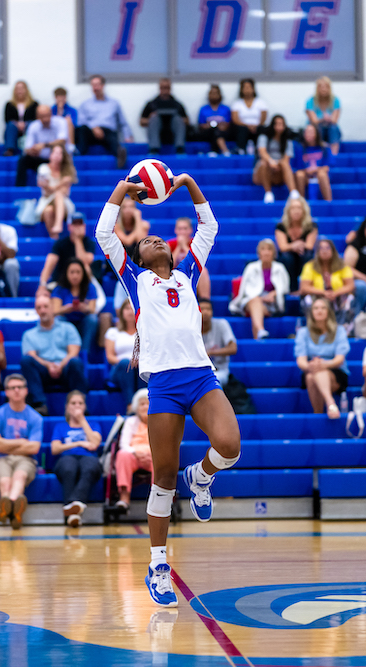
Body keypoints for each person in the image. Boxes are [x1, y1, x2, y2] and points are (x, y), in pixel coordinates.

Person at [96, 174, 241, 607]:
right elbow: (104, 232)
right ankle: (158, 565)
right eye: (148, 239)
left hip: (199, 375)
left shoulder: (189, 273)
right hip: (162, 383)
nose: (156, 239)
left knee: (230, 446)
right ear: (138, 255)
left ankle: (202, 476)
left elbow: (209, 227)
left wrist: (188, 183)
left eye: (161, 238)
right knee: (161, 480)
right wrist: (124, 188)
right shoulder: (134, 279)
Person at [0, 374, 43, 529]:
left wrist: (3, 443)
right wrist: (20, 442)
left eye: (20, 387)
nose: (17, 391)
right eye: (13, 388)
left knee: (20, 476)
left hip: (26, 459)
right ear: (6, 392)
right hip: (0, 458)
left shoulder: (35, 417)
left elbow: (34, 448)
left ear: (26, 391)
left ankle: (7, 507)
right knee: (5, 480)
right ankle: (15, 510)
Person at [20, 295, 88, 414]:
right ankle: (40, 404)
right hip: (43, 372)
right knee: (26, 361)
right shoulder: (29, 335)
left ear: (52, 307)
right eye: (39, 308)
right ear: (36, 311)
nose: (43, 310)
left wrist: (60, 365)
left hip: (65, 368)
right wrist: (49, 365)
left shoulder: (68, 328)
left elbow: (73, 352)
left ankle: (79, 404)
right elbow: (32, 356)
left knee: (75, 362)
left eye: (45, 306)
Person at [51, 391, 103, 527]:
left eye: (80, 403)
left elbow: (95, 443)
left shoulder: (93, 424)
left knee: (90, 467)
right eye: (73, 403)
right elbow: (55, 448)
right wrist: (79, 443)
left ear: (85, 407)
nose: (77, 406)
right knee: (69, 468)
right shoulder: (60, 426)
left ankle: (72, 509)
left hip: (88, 457)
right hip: (67, 457)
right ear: (67, 407)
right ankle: (75, 510)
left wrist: (82, 420)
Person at [295, 297, 350, 419]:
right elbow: (301, 361)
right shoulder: (303, 332)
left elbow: (339, 359)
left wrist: (323, 364)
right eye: (316, 308)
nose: (319, 311)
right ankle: (329, 405)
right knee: (310, 376)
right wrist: (312, 365)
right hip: (312, 369)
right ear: (311, 312)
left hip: (336, 371)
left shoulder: (339, 330)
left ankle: (321, 411)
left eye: (323, 308)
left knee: (315, 374)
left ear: (328, 312)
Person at [229, 238, 290, 340]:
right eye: (263, 249)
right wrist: (261, 298)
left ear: (274, 253)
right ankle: (261, 329)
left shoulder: (280, 268)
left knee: (257, 309)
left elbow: (286, 288)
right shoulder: (251, 267)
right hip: (250, 300)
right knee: (255, 302)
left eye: (269, 249)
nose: (266, 252)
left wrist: (274, 293)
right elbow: (246, 289)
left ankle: (258, 337)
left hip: (271, 303)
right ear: (259, 252)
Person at [77, 74, 132, 168]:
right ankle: (80, 159)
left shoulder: (114, 103)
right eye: (93, 85)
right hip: (91, 132)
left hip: (108, 132)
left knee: (112, 136)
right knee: (82, 130)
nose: (95, 88)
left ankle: (120, 155)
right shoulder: (85, 104)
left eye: (97, 85)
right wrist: (94, 127)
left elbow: (122, 122)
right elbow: (80, 121)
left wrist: (128, 136)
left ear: (103, 85)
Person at [298, 238, 355, 327]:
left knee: (350, 299)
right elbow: (304, 287)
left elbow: (350, 285)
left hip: (337, 297)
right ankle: (315, 327)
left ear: (333, 250)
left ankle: (343, 327)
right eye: (321, 248)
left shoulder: (342, 265)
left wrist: (335, 293)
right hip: (318, 297)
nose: (324, 251)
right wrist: (323, 293)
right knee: (307, 300)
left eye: (327, 248)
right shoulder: (309, 266)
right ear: (317, 252)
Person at [37, 212, 101, 292]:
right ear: (69, 227)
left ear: (84, 226)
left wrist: (78, 240)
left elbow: (84, 261)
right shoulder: (60, 243)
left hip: (81, 284)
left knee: (86, 267)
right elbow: (50, 263)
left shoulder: (89, 243)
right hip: (60, 282)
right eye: (75, 224)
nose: (77, 227)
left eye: (80, 224)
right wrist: (42, 285)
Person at [51, 258, 99, 356]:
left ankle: (85, 353)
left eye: (78, 272)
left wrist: (84, 308)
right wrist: (67, 308)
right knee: (58, 320)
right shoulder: (59, 289)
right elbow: (55, 311)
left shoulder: (90, 287)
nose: (75, 276)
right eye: (72, 272)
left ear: (83, 273)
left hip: (83, 322)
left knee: (92, 319)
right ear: (66, 273)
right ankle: (63, 353)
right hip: (66, 321)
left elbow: (92, 310)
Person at [114, 389, 153, 512]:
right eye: (142, 404)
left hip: (153, 456)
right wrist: (136, 453)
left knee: (163, 458)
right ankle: (124, 497)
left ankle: (158, 499)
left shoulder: (159, 422)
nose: (145, 406)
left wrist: (150, 454)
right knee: (122, 455)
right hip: (134, 455)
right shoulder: (130, 422)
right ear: (137, 407)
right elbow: (123, 443)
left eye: (148, 403)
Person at [15, 104, 69, 187]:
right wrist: (32, 151)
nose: (45, 119)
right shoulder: (33, 126)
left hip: (58, 159)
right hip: (40, 159)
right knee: (23, 159)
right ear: (37, 117)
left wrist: (44, 145)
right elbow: (27, 148)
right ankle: (20, 188)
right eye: (42, 116)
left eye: (47, 115)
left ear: (51, 113)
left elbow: (62, 141)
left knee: (58, 149)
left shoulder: (60, 122)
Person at [105, 300, 144, 411]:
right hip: (119, 368)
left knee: (144, 366)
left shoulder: (144, 332)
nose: (130, 312)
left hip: (139, 367)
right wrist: (128, 361)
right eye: (127, 308)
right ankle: (130, 404)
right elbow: (110, 356)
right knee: (125, 363)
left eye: (132, 308)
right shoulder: (113, 332)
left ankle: (143, 400)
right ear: (121, 312)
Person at [253, 115, 299, 204]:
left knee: (285, 164)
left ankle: (293, 192)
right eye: (277, 124)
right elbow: (262, 152)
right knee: (264, 163)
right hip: (265, 168)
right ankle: (268, 193)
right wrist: (271, 162)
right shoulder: (264, 137)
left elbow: (286, 158)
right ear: (272, 125)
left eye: (281, 124)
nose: (279, 127)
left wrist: (278, 165)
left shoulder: (287, 140)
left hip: (279, 169)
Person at [275, 197, 318, 291]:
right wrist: (293, 246)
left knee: (307, 256)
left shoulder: (312, 226)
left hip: (303, 256)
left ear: (304, 210)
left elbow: (310, 245)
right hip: (288, 258)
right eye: (293, 208)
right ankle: (291, 288)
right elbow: (282, 247)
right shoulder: (281, 226)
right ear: (288, 211)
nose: (296, 211)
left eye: (299, 208)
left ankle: (306, 287)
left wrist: (297, 245)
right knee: (287, 257)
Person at [34, 144, 77, 238]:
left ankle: (58, 224)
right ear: (50, 155)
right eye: (55, 153)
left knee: (58, 195)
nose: (57, 155)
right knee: (48, 210)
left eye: (60, 153)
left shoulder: (67, 171)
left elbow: (64, 192)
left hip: (64, 203)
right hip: (46, 201)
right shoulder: (43, 168)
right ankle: (54, 237)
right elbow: (43, 187)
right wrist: (61, 183)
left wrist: (51, 188)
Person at [140, 78, 188, 155]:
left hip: (172, 134)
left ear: (170, 88)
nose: (165, 90)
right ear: (160, 88)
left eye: (167, 88)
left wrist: (180, 118)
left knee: (178, 119)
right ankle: (154, 150)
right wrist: (151, 118)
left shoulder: (177, 104)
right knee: (154, 118)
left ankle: (180, 149)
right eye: (163, 88)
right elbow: (142, 121)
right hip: (157, 134)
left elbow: (187, 120)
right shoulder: (152, 104)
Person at [168, 217, 211, 299]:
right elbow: (169, 264)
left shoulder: (195, 243)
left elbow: (197, 261)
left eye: (185, 228)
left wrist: (184, 246)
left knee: (204, 271)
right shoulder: (170, 244)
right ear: (175, 230)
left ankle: (205, 302)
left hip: (192, 273)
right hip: (174, 273)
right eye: (180, 229)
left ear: (190, 230)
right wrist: (178, 247)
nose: (182, 232)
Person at [200, 298, 237, 386]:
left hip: (219, 370)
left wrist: (211, 352)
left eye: (208, 309)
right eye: (202, 309)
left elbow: (233, 348)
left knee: (213, 381)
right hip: (198, 371)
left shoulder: (221, 324)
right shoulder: (191, 329)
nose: (205, 312)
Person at [295, 124, 333, 201]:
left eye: (311, 132)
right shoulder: (300, 148)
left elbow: (327, 167)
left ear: (317, 133)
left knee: (322, 174)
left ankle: (329, 202)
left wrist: (315, 170)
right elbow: (298, 168)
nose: (308, 134)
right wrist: (307, 171)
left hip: (320, 174)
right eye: (306, 132)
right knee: (299, 175)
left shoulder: (324, 147)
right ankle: (301, 202)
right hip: (306, 175)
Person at [305, 76, 341, 155]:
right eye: (321, 86)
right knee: (317, 127)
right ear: (317, 88)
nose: (323, 89)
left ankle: (334, 156)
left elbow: (334, 120)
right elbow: (314, 121)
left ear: (329, 88)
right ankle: (318, 153)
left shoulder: (336, 100)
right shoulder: (310, 101)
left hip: (330, 128)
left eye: (326, 86)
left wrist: (328, 119)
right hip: (317, 128)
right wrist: (323, 119)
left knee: (333, 128)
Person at [231, 78, 268, 154]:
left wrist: (255, 126)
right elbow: (235, 119)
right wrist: (247, 126)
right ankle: (241, 150)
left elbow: (263, 118)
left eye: (249, 87)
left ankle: (261, 150)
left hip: (257, 127)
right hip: (243, 127)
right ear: (241, 90)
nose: (247, 89)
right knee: (241, 129)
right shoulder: (237, 103)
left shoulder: (260, 102)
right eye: (245, 87)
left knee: (262, 129)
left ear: (253, 89)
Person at [194, 84, 232, 156]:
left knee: (217, 131)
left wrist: (216, 125)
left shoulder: (225, 109)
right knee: (213, 130)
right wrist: (212, 125)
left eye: (216, 93)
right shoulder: (203, 109)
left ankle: (215, 151)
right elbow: (201, 125)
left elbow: (227, 125)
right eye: (212, 93)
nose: (214, 95)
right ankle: (224, 151)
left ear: (220, 95)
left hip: (222, 132)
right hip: (208, 132)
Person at [3, 80, 38, 156]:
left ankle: (30, 149)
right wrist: (17, 124)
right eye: (18, 89)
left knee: (32, 124)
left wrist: (24, 124)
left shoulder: (34, 104)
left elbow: (36, 119)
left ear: (26, 90)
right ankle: (10, 149)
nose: (20, 91)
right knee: (10, 125)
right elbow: (7, 119)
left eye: (22, 89)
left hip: (28, 126)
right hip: (14, 127)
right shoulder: (9, 105)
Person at [52, 87, 78, 154]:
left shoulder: (72, 110)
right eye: (59, 97)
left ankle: (71, 146)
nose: (61, 99)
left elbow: (74, 123)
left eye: (62, 97)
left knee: (68, 120)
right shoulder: (51, 110)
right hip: (54, 130)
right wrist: (59, 112)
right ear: (55, 98)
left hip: (68, 130)